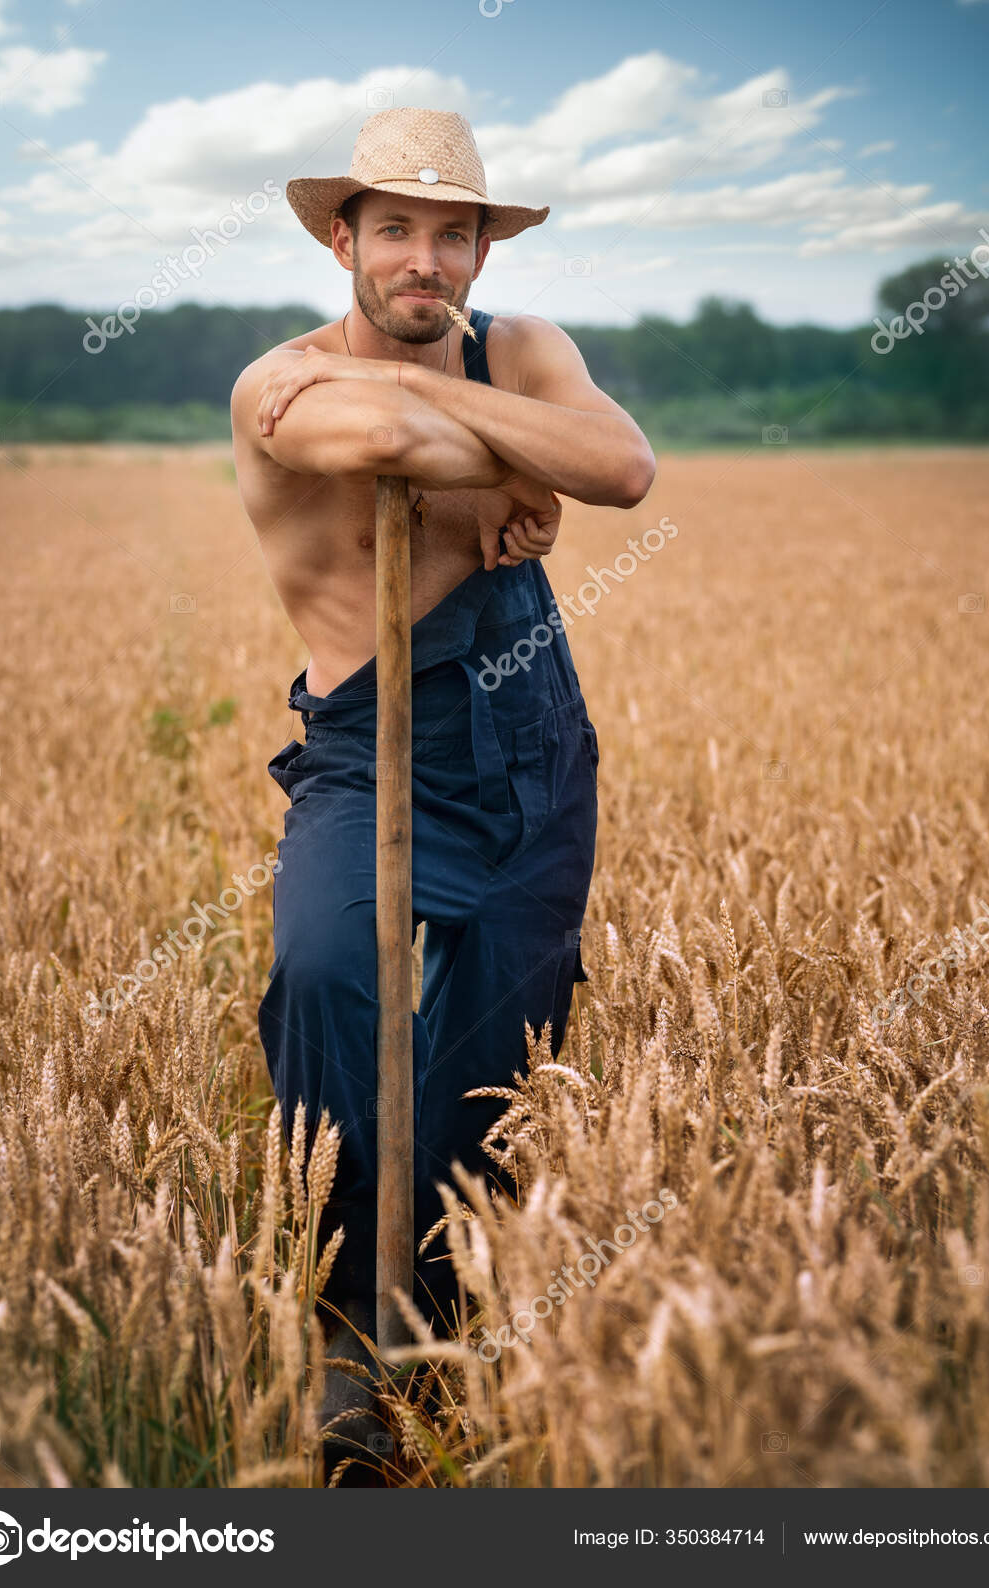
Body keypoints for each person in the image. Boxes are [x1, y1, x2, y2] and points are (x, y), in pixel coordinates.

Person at [229, 108, 655, 1457]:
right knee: (322, 973)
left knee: (494, 1058)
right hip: (369, 744)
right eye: (396, 230)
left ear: (481, 252)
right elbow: (389, 450)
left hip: (531, 735)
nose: (425, 257)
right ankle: (345, 1325)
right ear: (341, 239)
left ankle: (442, 1330)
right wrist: (530, 455)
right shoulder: (277, 381)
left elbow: (626, 466)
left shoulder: (520, 347)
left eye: (453, 235)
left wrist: (474, 410)